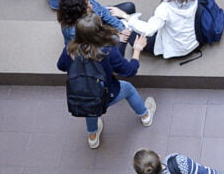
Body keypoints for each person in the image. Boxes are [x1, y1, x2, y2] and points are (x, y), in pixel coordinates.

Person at [59, 15, 154, 148]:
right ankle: (145, 116)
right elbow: (130, 71)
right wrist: (137, 49)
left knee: (90, 108)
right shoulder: (107, 50)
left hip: (81, 96)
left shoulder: (70, 49)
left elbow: (61, 66)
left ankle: (92, 137)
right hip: (108, 93)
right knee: (128, 88)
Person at [125, 0, 204, 59]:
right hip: (194, 40)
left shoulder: (165, 9)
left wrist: (127, 17)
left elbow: (149, 30)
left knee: (132, 37)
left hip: (178, 48)